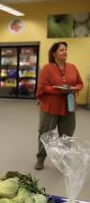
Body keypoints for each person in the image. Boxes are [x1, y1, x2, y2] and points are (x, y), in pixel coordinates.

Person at [35, 41, 83, 170]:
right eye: (61, 50)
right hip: (50, 106)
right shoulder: (47, 68)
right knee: (46, 134)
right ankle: (40, 158)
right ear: (54, 53)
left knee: (67, 135)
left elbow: (80, 83)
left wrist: (74, 88)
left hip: (69, 105)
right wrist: (58, 90)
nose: (65, 52)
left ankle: (65, 160)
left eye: (66, 50)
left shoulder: (72, 67)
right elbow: (42, 87)